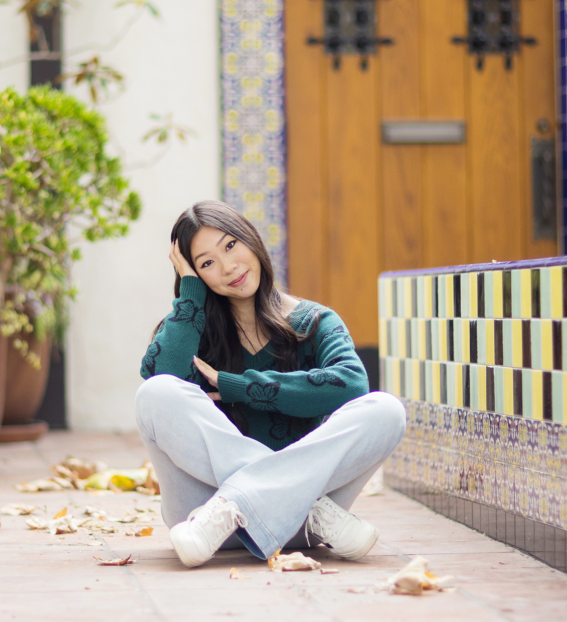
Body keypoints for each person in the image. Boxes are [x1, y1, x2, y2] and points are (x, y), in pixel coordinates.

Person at [135, 200, 406, 568]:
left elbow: (352, 384)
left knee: (386, 410)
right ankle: (297, 507)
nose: (228, 267)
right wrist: (190, 293)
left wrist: (239, 386)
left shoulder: (313, 321)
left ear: (251, 239)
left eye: (230, 245)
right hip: (205, 519)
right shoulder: (192, 326)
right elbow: (160, 380)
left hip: (298, 530)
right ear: (195, 275)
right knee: (155, 392)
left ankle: (254, 504)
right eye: (207, 263)